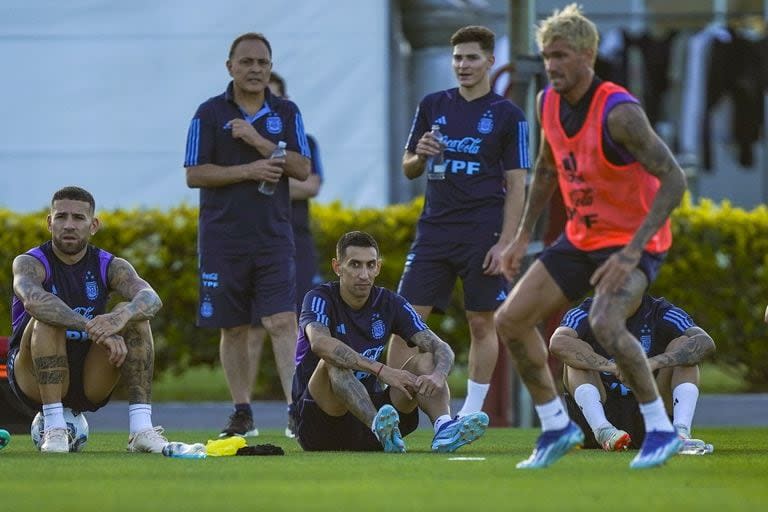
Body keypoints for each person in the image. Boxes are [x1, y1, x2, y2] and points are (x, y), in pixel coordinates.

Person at [494, 3, 688, 469]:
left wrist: (631, 253)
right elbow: (544, 170)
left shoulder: (620, 113)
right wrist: (520, 238)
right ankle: (556, 426)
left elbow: (675, 180)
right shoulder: (547, 102)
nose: (551, 66)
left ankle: (660, 431)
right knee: (510, 320)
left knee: (604, 322)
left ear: (587, 55)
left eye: (560, 55)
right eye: (545, 56)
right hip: (581, 239)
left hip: (632, 242)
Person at [389, 25, 529, 419]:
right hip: (434, 230)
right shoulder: (434, 104)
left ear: (489, 60)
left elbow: (518, 185)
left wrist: (505, 243)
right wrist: (419, 153)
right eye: (457, 58)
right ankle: (390, 408)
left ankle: (470, 412)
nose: (463, 65)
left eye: (471, 57)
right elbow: (409, 168)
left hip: (482, 232)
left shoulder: (508, 115)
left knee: (481, 323)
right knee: (405, 321)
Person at [184, 32, 311, 438]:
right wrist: (248, 172)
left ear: (270, 67)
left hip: (273, 237)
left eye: (263, 62)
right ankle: (242, 412)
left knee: (281, 321)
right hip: (223, 239)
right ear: (230, 67)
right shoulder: (208, 113)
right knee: (234, 327)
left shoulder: (287, 111)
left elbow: (303, 168)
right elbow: (194, 174)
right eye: (247, 62)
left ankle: (298, 411)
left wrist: (258, 142)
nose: (255, 69)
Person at [7, 186, 172, 453]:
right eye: (61, 217)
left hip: (88, 376)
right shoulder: (29, 262)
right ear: (50, 222)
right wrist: (96, 328)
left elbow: (151, 298)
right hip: (32, 377)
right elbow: (34, 301)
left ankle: (141, 430)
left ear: (93, 225)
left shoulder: (110, 265)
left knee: (135, 316)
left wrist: (122, 317)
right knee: (47, 317)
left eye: (78, 218)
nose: (69, 225)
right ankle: (55, 428)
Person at [291, 231, 489, 452]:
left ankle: (444, 429)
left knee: (427, 359)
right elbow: (319, 343)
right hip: (320, 424)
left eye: (370, 265)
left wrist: (437, 376)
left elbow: (441, 347)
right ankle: (379, 427)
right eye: (355, 265)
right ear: (338, 267)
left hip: (377, 417)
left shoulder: (390, 302)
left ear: (378, 267)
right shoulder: (318, 298)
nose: (364, 274)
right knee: (332, 361)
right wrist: (382, 370)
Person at [226, 71, 324, 439]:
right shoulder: (232, 135)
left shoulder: (303, 140)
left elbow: (309, 183)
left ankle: (295, 410)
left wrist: (268, 172)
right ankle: (243, 412)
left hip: (292, 242)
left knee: (293, 325)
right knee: (248, 330)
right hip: (246, 241)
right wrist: (256, 172)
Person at [549, 294, 715, 451]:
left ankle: (680, 434)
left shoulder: (661, 312)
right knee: (575, 354)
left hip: (652, 416)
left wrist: (651, 363)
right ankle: (604, 431)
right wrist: (613, 367)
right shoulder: (586, 312)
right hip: (598, 416)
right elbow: (558, 342)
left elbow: (705, 342)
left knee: (686, 349)